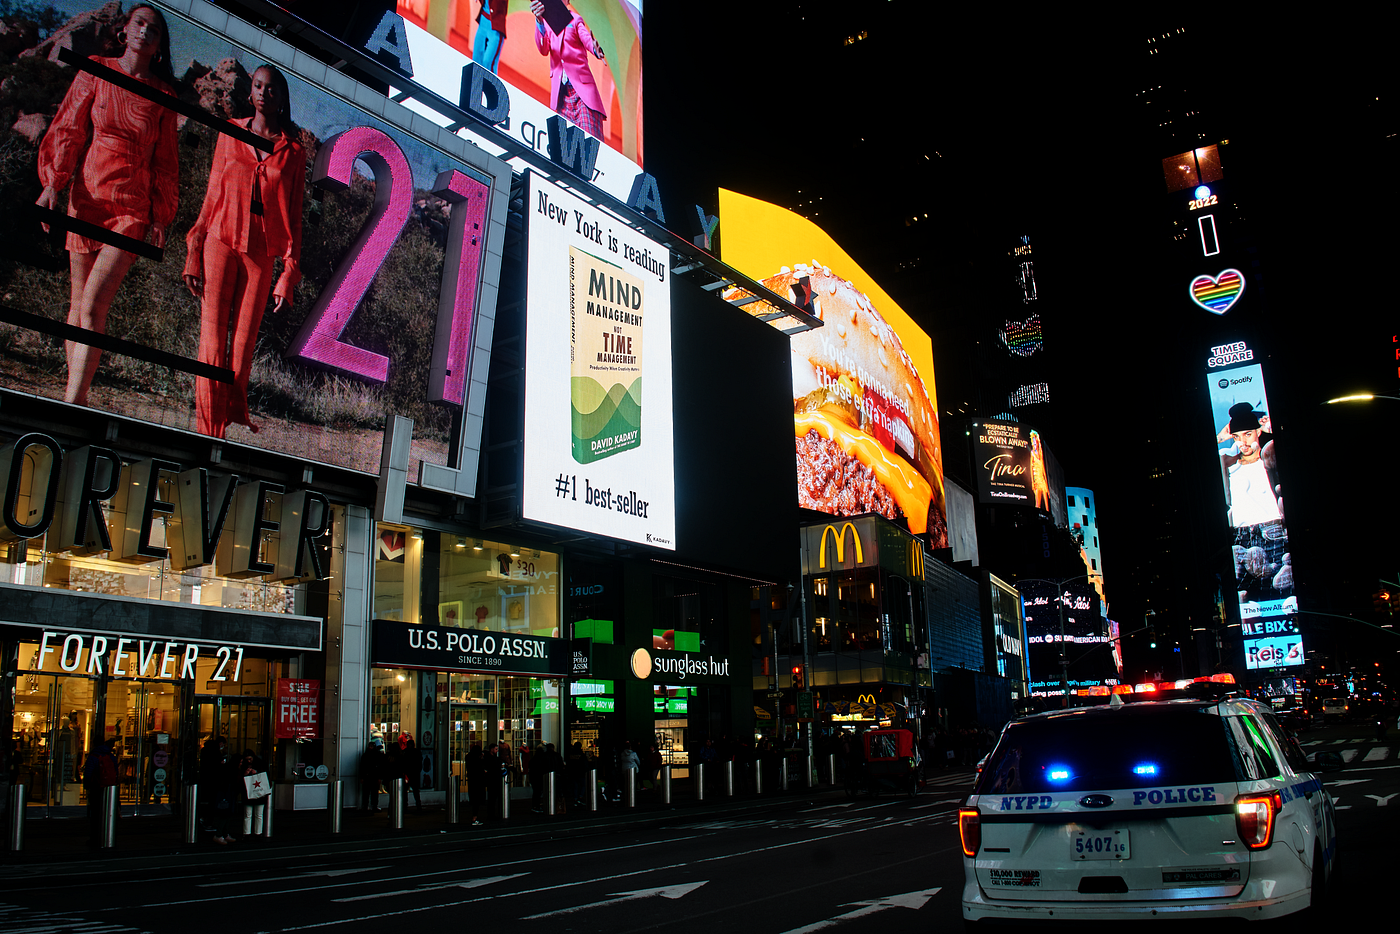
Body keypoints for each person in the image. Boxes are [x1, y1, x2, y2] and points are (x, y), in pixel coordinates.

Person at [35, 4, 179, 406]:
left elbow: (166, 162)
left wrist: (161, 214)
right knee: (78, 304)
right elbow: (68, 128)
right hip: (87, 197)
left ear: (160, 45)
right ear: (125, 31)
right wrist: (52, 185)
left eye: (154, 29)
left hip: (132, 209)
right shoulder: (95, 69)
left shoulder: (165, 95)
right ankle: (75, 397)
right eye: (139, 24)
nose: (145, 33)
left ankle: (72, 403)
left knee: (95, 302)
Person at [184, 63, 305, 439]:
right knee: (212, 337)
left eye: (272, 89)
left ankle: (225, 417)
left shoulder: (294, 152)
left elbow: (295, 216)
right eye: (258, 85)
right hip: (220, 235)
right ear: (250, 91)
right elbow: (211, 192)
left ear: (282, 99)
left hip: (262, 248)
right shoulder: (230, 132)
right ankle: (209, 429)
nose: (264, 93)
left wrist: (289, 273)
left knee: (243, 344)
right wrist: (195, 246)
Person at [529, 0, 607, 137]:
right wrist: (539, 20)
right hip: (562, 96)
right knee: (565, 146)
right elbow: (543, 49)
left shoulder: (575, 20)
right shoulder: (546, 23)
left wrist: (596, 50)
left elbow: (586, 38)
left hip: (582, 93)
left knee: (589, 140)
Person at [1218, 403, 1281, 528]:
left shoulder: (1270, 459)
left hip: (1274, 525)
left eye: (1247, 434)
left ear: (1258, 432)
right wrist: (1219, 437)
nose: (1243, 442)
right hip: (1241, 532)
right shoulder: (1229, 464)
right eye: (1236, 436)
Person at [82, 742, 118, 846]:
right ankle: (108, 837)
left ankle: (95, 838)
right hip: (109, 788)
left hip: (96, 787)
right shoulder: (111, 756)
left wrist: (86, 786)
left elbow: (88, 773)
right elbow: (116, 771)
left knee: (95, 814)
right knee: (107, 813)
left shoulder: (93, 756)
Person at [237, 749, 268, 837]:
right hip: (259, 792)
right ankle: (256, 833)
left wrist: (246, 775)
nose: (249, 761)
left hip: (248, 793)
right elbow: (266, 776)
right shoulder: (261, 763)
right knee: (257, 815)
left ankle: (247, 833)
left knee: (249, 814)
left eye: (249, 759)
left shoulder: (244, 765)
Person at [473, 0, 507, 73]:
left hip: (495, 28)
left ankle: (488, 84)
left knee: (488, 63)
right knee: (476, 58)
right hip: (483, 22)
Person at [359, 741, 383, 811]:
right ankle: (370, 806)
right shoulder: (375, 755)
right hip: (371, 776)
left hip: (371, 776)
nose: (370, 747)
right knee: (370, 792)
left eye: (371, 746)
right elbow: (362, 767)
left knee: (370, 792)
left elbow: (362, 767)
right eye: (370, 746)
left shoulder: (366, 755)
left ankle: (369, 806)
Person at [402, 737, 423, 808]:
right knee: (414, 790)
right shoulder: (415, 752)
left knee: (409, 790)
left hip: (410, 773)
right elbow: (419, 763)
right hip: (411, 773)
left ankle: (406, 805)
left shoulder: (406, 752)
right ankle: (416, 804)